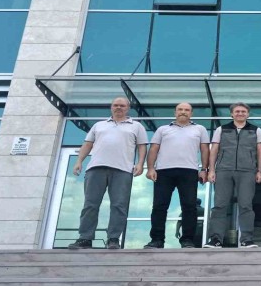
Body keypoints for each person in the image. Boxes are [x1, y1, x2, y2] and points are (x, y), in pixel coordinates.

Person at [68, 97, 147, 250]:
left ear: (128, 108)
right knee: (90, 205)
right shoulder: (99, 125)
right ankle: (85, 238)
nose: (119, 108)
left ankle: (113, 238)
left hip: (123, 170)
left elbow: (142, 146)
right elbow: (88, 144)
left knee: (119, 205)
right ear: (111, 107)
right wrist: (79, 161)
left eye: (122, 105)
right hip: (96, 168)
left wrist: (140, 164)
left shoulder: (136, 126)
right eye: (116, 105)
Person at [143, 102, 209, 249]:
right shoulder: (163, 129)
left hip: (189, 171)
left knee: (189, 207)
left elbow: (205, 149)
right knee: (159, 206)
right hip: (164, 171)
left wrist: (204, 169)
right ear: (175, 112)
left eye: (187, 110)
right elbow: (154, 148)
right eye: (180, 109)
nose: (183, 112)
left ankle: (187, 240)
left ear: (191, 113)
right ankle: (157, 240)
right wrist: (151, 168)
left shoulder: (200, 129)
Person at [204, 102, 261, 248]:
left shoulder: (256, 130)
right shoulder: (222, 129)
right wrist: (211, 170)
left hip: (247, 171)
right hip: (224, 170)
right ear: (232, 114)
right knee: (219, 205)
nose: (240, 114)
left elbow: (260, 151)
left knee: (246, 205)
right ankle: (216, 239)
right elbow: (214, 150)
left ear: (248, 114)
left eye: (243, 111)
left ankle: (246, 239)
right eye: (237, 111)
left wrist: (259, 171)